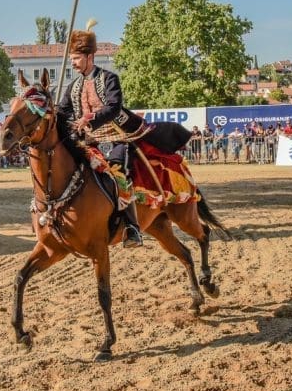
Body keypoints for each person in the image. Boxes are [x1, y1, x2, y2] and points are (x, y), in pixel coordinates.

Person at [55, 21, 193, 248]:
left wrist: (89, 118)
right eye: (71, 59)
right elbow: (62, 112)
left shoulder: (109, 79)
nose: (73, 62)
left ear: (90, 57)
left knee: (119, 174)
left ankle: (131, 227)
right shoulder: (72, 87)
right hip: (87, 142)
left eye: (76, 58)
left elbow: (113, 107)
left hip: (116, 139)